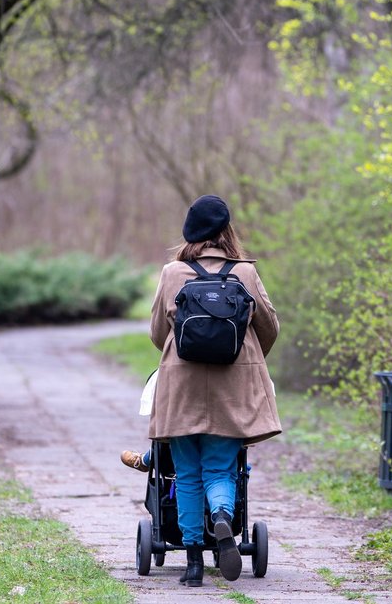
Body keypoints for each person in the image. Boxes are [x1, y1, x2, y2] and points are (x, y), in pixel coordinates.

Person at [144, 194, 281, 587]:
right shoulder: (246, 274)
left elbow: (157, 332)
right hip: (233, 390)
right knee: (221, 468)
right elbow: (269, 328)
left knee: (185, 473)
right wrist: (247, 358)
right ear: (227, 233)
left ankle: (191, 563)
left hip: (181, 387)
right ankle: (222, 517)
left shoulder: (172, 273)